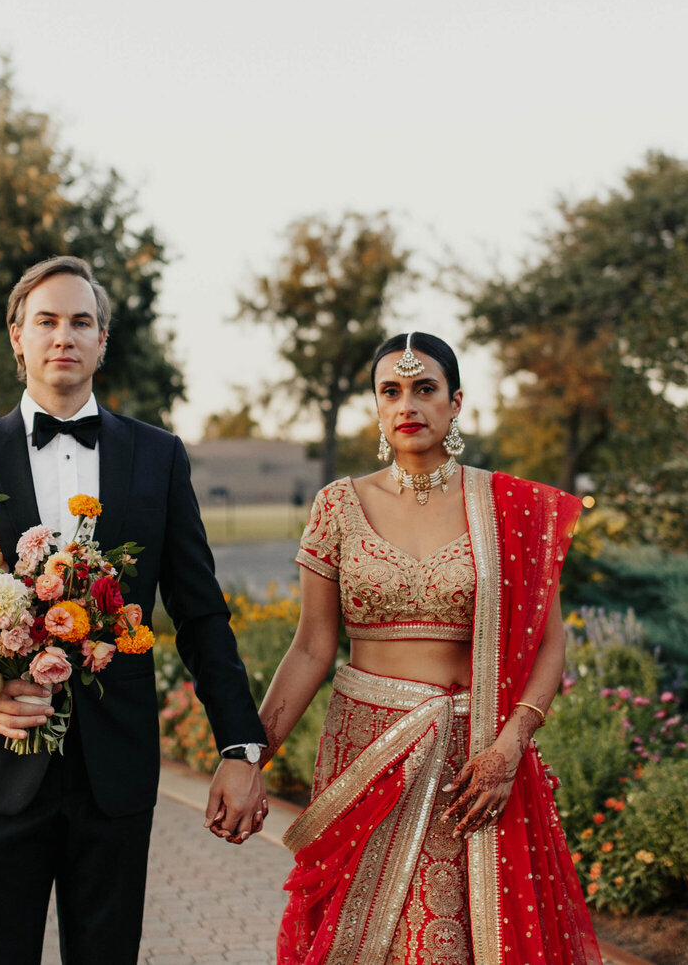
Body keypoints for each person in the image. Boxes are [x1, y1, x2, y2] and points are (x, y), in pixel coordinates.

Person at [0, 256, 269, 965]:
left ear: (102, 341)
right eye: (47, 320)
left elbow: (200, 613)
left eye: (81, 322)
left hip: (114, 775)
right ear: (17, 337)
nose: (64, 335)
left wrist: (240, 746)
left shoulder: (157, 457)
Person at [259, 331, 601, 965]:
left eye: (424, 389)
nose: (407, 405)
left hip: (473, 765)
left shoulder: (509, 508)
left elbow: (550, 646)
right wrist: (248, 757)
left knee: (454, 944)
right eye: (390, 391)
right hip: (367, 753)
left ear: (456, 401)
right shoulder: (339, 505)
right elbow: (310, 648)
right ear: (377, 407)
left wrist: (509, 747)